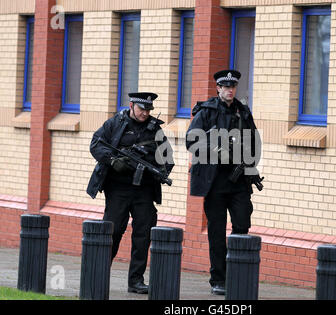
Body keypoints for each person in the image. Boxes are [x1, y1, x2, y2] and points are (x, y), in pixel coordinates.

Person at [87, 92, 174, 294]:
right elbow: (95, 145)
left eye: (148, 110)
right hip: (117, 189)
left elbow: (168, 158)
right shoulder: (115, 124)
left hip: (143, 190)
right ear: (132, 105)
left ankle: (135, 281)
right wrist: (113, 161)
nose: (145, 113)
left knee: (143, 234)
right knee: (113, 231)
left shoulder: (155, 130)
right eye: (141, 108)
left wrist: (159, 172)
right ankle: (98, 274)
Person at [186, 69, 262, 295]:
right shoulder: (206, 112)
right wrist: (215, 149)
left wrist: (248, 163)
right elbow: (191, 141)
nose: (229, 90)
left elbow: (255, 143)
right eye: (225, 87)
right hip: (215, 181)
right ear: (218, 88)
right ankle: (218, 279)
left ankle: (237, 275)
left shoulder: (243, 112)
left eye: (233, 87)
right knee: (217, 232)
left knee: (242, 225)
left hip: (238, 181)